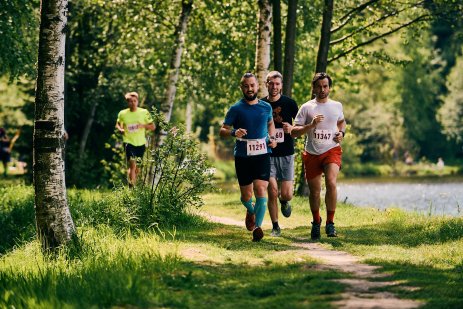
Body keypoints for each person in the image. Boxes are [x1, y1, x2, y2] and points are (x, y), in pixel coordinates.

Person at [219, 72, 277, 242]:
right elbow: (222, 130)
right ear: (241, 87)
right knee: (246, 197)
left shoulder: (266, 107)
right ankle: (251, 210)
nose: (250, 88)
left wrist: (272, 138)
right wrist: (233, 132)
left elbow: (270, 123)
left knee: (261, 190)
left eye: (252, 85)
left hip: (262, 154)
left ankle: (257, 229)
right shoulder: (236, 108)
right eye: (246, 86)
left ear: (257, 86)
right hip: (243, 157)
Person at [291, 72, 346, 239]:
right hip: (312, 153)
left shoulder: (336, 105)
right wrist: (311, 125)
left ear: (329, 88)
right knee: (314, 192)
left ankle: (330, 224)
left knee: (331, 182)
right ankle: (316, 221)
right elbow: (294, 132)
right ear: (313, 88)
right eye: (319, 86)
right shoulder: (307, 107)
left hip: (332, 150)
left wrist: (341, 133)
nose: (322, 90)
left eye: (325, 86)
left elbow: (342, 122)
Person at [260, 71, 299, 237]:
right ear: (266, 84)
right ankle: (275, 226)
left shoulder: (290, 103)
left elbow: (300, 127)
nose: (274, 87)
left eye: (277, 84)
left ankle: (285, 202)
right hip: (267, 154)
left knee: (287, 193)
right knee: (272, 190)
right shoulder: (260, 104)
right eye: (271, 83)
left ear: (281, 85)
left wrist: (291, 129)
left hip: (286, 153)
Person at [116, 92, 155, 187]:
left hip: (141, 143)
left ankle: (131, 180)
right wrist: (120, 129)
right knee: (132, 165)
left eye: (135, 101)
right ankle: (131, 188)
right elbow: (118, 124)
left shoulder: (144, 112)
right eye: (130, 101)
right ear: (127, 103)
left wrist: (143, 125)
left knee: (136, 168)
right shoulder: (123, 113)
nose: (133, 103)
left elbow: (153, 127)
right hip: (128, 142)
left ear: (137, 101)